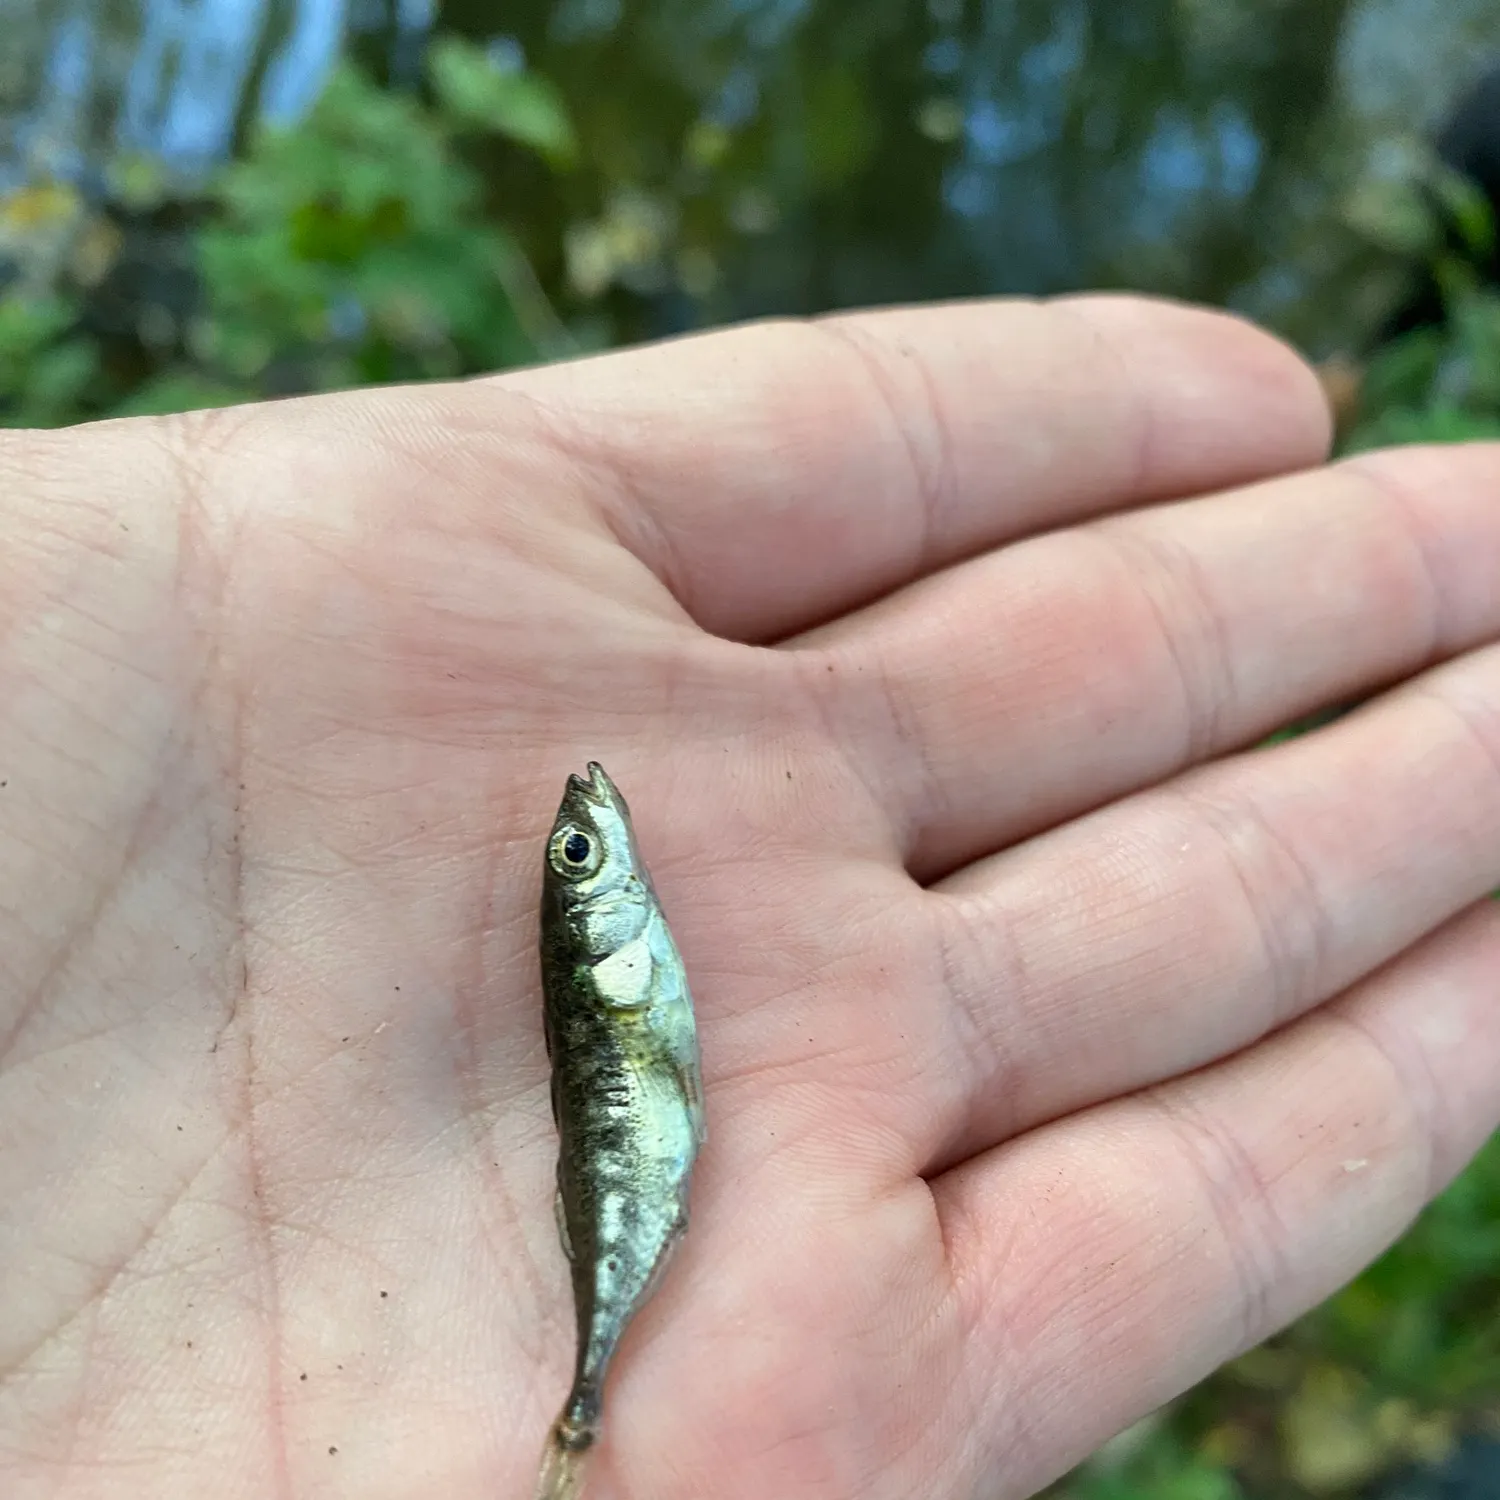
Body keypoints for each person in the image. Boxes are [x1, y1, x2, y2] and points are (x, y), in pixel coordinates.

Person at [0, 294, 1496, 1500]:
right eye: (580, 860)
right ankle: (582, 1417)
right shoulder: (606, 959)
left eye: (579, 854)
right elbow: (619, 1041)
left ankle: (583, 1411)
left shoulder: (613, 944)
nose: (592, 836)